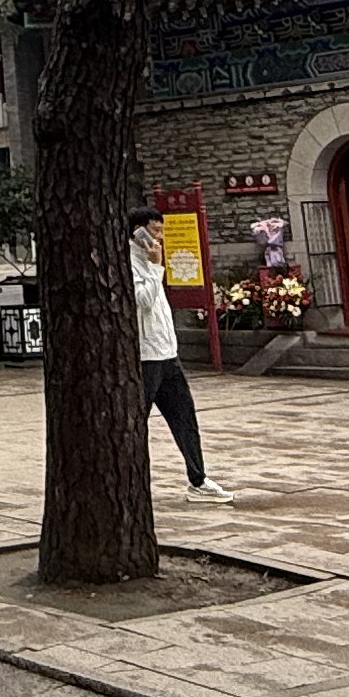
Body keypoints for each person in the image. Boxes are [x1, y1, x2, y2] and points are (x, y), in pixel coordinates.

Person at [128, 214, 234, 501]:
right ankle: (129, 483)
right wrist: (154, 267)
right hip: (145, 357)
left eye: (162, 230)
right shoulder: (132, 263)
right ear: (138, 233)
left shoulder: (152, 260)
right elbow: (143, 302)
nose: (159, 237)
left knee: (185, 417)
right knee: (135, 422)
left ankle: (198, 479)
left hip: (167, 355)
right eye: (154, 231)